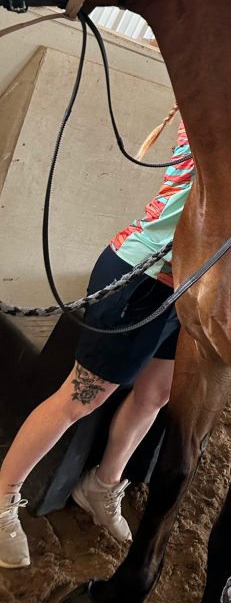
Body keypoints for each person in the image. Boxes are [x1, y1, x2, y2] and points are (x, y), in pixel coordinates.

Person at [0, 108, 192, 569]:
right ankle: (2, 497)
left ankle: (102, 485)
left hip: (187, 286)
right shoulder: (225, 111)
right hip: (141, 275)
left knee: (156, 394)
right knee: (80, 398)